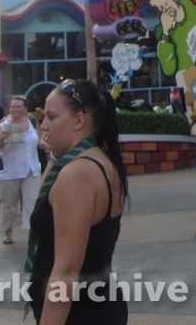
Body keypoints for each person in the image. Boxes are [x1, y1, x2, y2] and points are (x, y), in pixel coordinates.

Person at [27, 79, 129, 324]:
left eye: (51, 117)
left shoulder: (78, 174)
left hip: (79, 313)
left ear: (79, 120)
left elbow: (66, 271)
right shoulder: (94, 161)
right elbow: (44, 201)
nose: (43, 126)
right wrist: (54, 151)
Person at [0, 96, 42, 245]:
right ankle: (7, 230)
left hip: (31, 169)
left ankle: (33, 232)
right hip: (10, 171)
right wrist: (1, 139)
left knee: (31, 203)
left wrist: (44, 143)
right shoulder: (4, 125)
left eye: (19, 107)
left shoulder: (31, 122)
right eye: (13, 107)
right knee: (9, 205)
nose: (15, 109)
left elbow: (39, 140)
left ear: (25, 109)